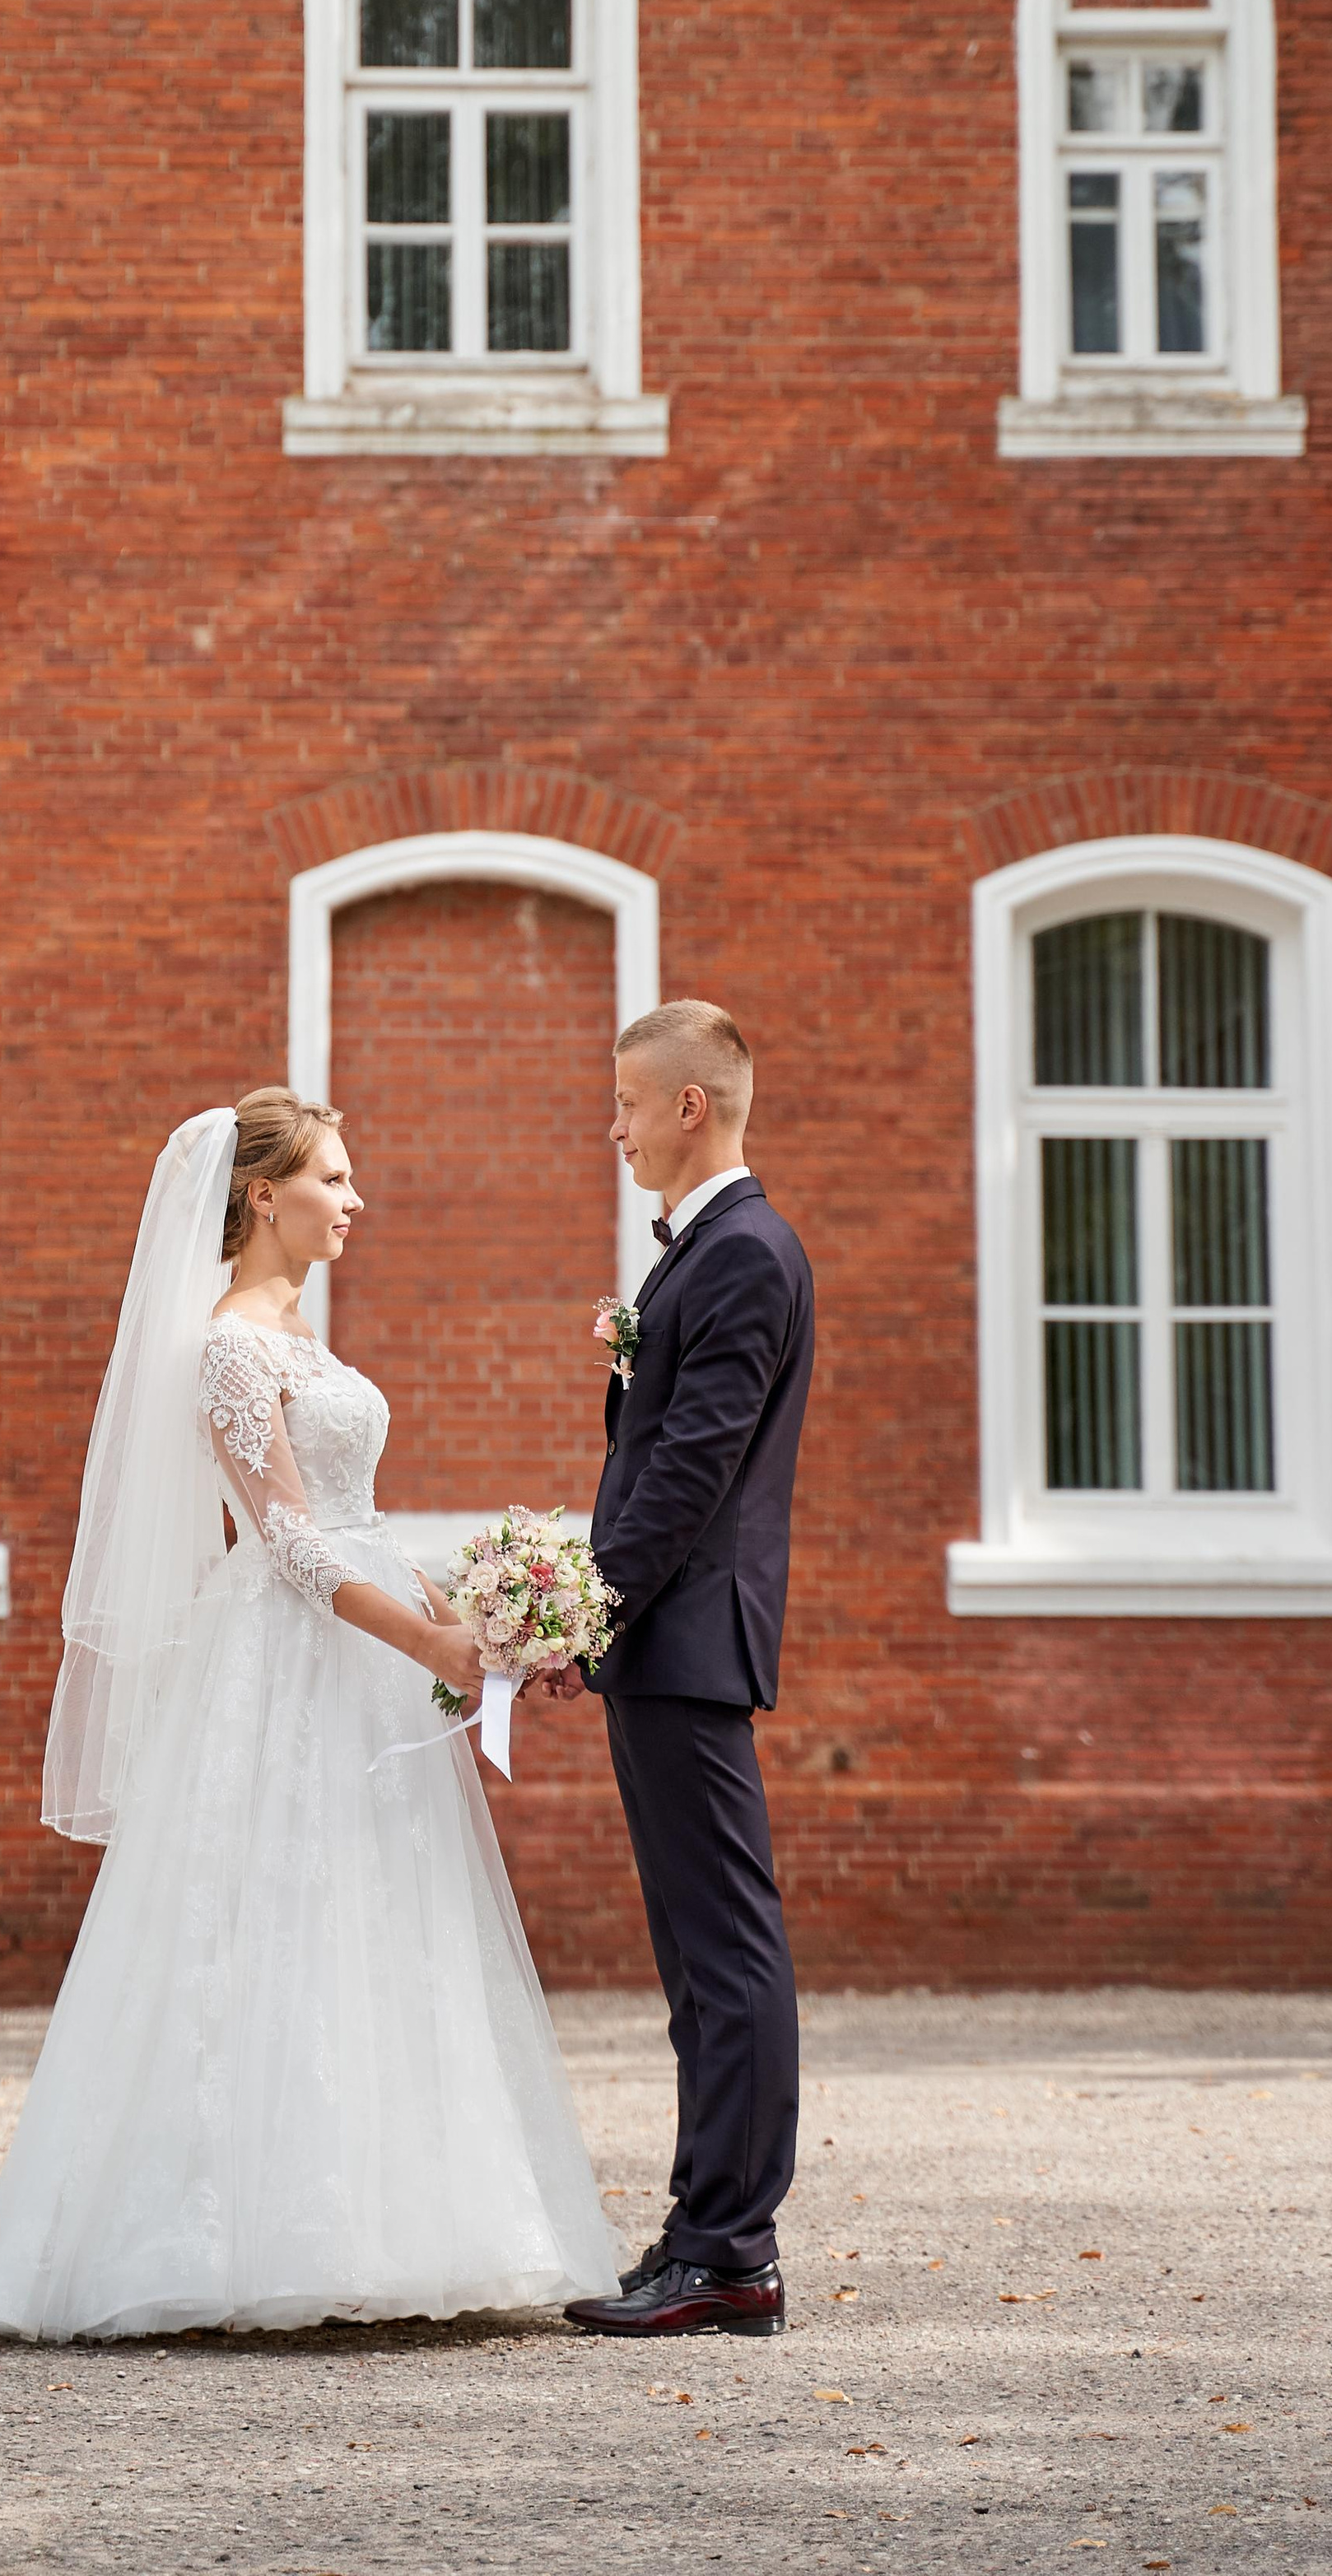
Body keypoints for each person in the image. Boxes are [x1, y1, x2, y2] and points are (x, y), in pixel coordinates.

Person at [0, 1089, 617, 2341]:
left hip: (365, 1647)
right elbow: (290, 1540)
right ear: (266, 1196)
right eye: (334, 1178)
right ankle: (233, 2237)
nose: (355, 1200)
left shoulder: (305, 1339)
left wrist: (475, 1611)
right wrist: (424, 1639)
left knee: (382, 1914)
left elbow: (357, 1521)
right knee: (271, 1914)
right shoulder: (230, 1347)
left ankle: (405, 2228)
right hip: (287, 1656)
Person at [545, 1001, 814, 2341]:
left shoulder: (745, 1254)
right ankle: (703, 2230)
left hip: (689, 1641)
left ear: (689, 1106)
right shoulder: (705, 1252)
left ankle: (731, 2251)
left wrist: (582, 1613)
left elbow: (690, 1474)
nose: (616, 1128)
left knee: (726, 1952)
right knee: (698, 1960)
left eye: (627, 1104)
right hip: (665, 1643)